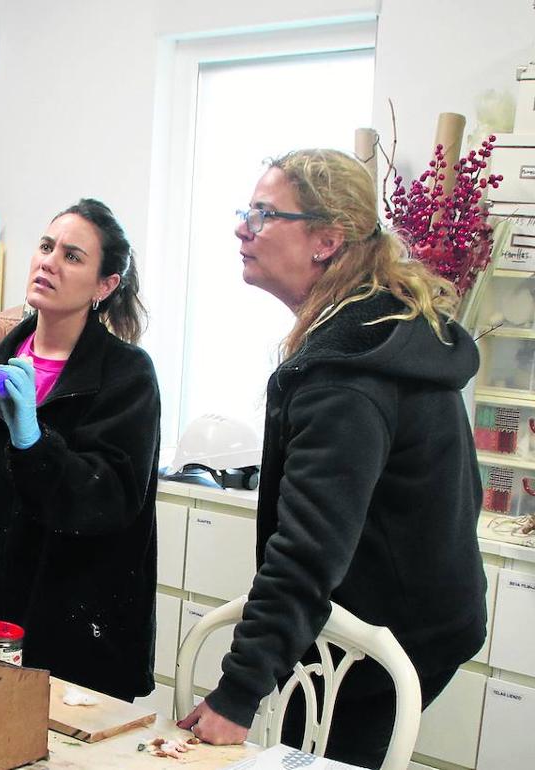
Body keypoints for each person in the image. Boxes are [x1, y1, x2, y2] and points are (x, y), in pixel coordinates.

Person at [177, 149, 487, 769]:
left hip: (390, 632)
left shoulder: (347, 373)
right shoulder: (380, 330)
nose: (243, 227)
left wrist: (237, 694)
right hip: (417, 615)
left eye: (264, 214)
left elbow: (308, 548)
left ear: (325, 240)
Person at [0, 198, 161, 701]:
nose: (49, 261)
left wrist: (34, 444)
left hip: (78, 624)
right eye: (46, 246)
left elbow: (111, 498)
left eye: (72, 256)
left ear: (105, 286)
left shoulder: (127, 376)